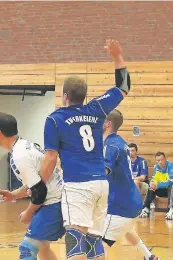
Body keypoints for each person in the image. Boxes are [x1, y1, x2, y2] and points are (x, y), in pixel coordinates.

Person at [40, 39, 129, 260]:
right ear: (84, 96)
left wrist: (38, 186)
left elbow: (51, 158)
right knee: (94, 241)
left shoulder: (55, 119)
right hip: (101, 184)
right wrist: (117, 57)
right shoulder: (97, 108)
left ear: (65, 96)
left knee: (76, 238)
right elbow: (124, 87)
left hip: (78, 185)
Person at [0, 113, 65, 260]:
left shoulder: (19, 156)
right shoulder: (23, 145)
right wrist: (13, 195)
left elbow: (40, 191)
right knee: (43, 248)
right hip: (57, 198)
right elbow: (34, 185)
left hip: (54, 202)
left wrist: (29, 212)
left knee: (27, 249)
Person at [102, 110, 160, 260]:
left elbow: (103, 171)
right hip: (133, 202)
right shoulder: (120, 142)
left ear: (108, 124)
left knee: (99, 248)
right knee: (126, 229)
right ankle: (150, 257)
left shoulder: (111, 146)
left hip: (119, 206)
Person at [139, 152, 173, 220]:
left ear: (165, 159)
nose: (160, 162)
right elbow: (154, 179)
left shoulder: (171, 165)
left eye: (162, 160)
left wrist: (158, 185)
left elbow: (172, 181)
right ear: (156, 161)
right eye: (158, 160)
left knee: (171, 187)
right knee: (151, 188)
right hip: (165, 189)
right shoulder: (156, 167)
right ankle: (146, 209)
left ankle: (171, 210)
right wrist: (152, 183)